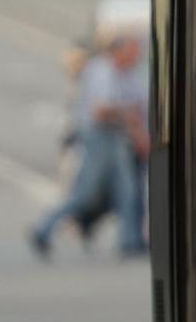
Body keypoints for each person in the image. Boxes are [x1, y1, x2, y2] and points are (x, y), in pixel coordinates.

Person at [36, 27, 150, 260]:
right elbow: (100, 110)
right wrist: (129, 116)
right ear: (119, 51)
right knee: (87, 193)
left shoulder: (126, 73)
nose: (136, 57)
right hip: (100, 136)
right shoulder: (103, 71)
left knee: (126, 188)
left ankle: (130, 239)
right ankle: (44, 229)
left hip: (116, 136)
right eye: (133, 51)